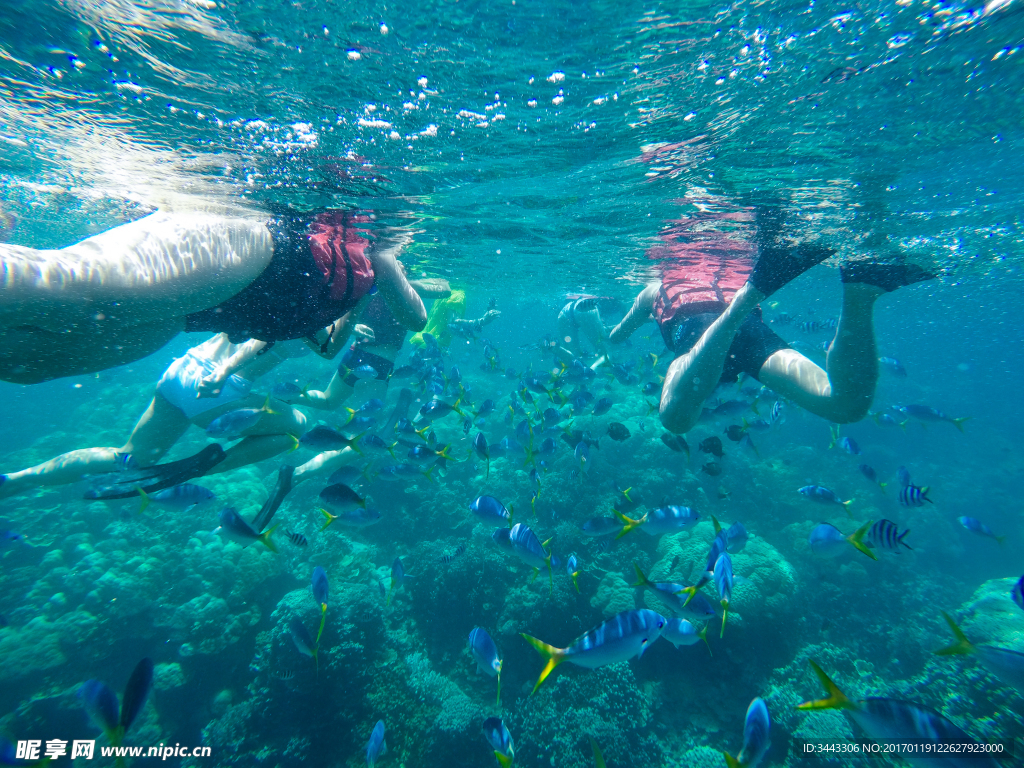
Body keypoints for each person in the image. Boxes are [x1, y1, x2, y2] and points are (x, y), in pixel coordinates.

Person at [0, 208, 427, 384]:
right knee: (66, 287)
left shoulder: (347, 296)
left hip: (197, 313)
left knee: (28, 364)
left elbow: (326, 347)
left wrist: (352, 313)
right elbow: (417, 318)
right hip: (255, 250)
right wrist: (390, 264)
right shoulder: (377, 256)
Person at [609, 204, 934, 434]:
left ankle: (745, 300)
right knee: (846, 406)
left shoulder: (652, 290)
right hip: (751, 334)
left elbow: (618, 334)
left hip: (697, 334)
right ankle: (861, 288)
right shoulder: (723, 275)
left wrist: (608, 335)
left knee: (675, 420)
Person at [0, 333, 314, 498]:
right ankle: (202, 467)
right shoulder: (321, 305)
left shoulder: (271, 283)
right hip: (218, 388)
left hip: (181, 371)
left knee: (129, 459)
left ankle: (19, 479)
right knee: (299, 426)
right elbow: (318, 343)